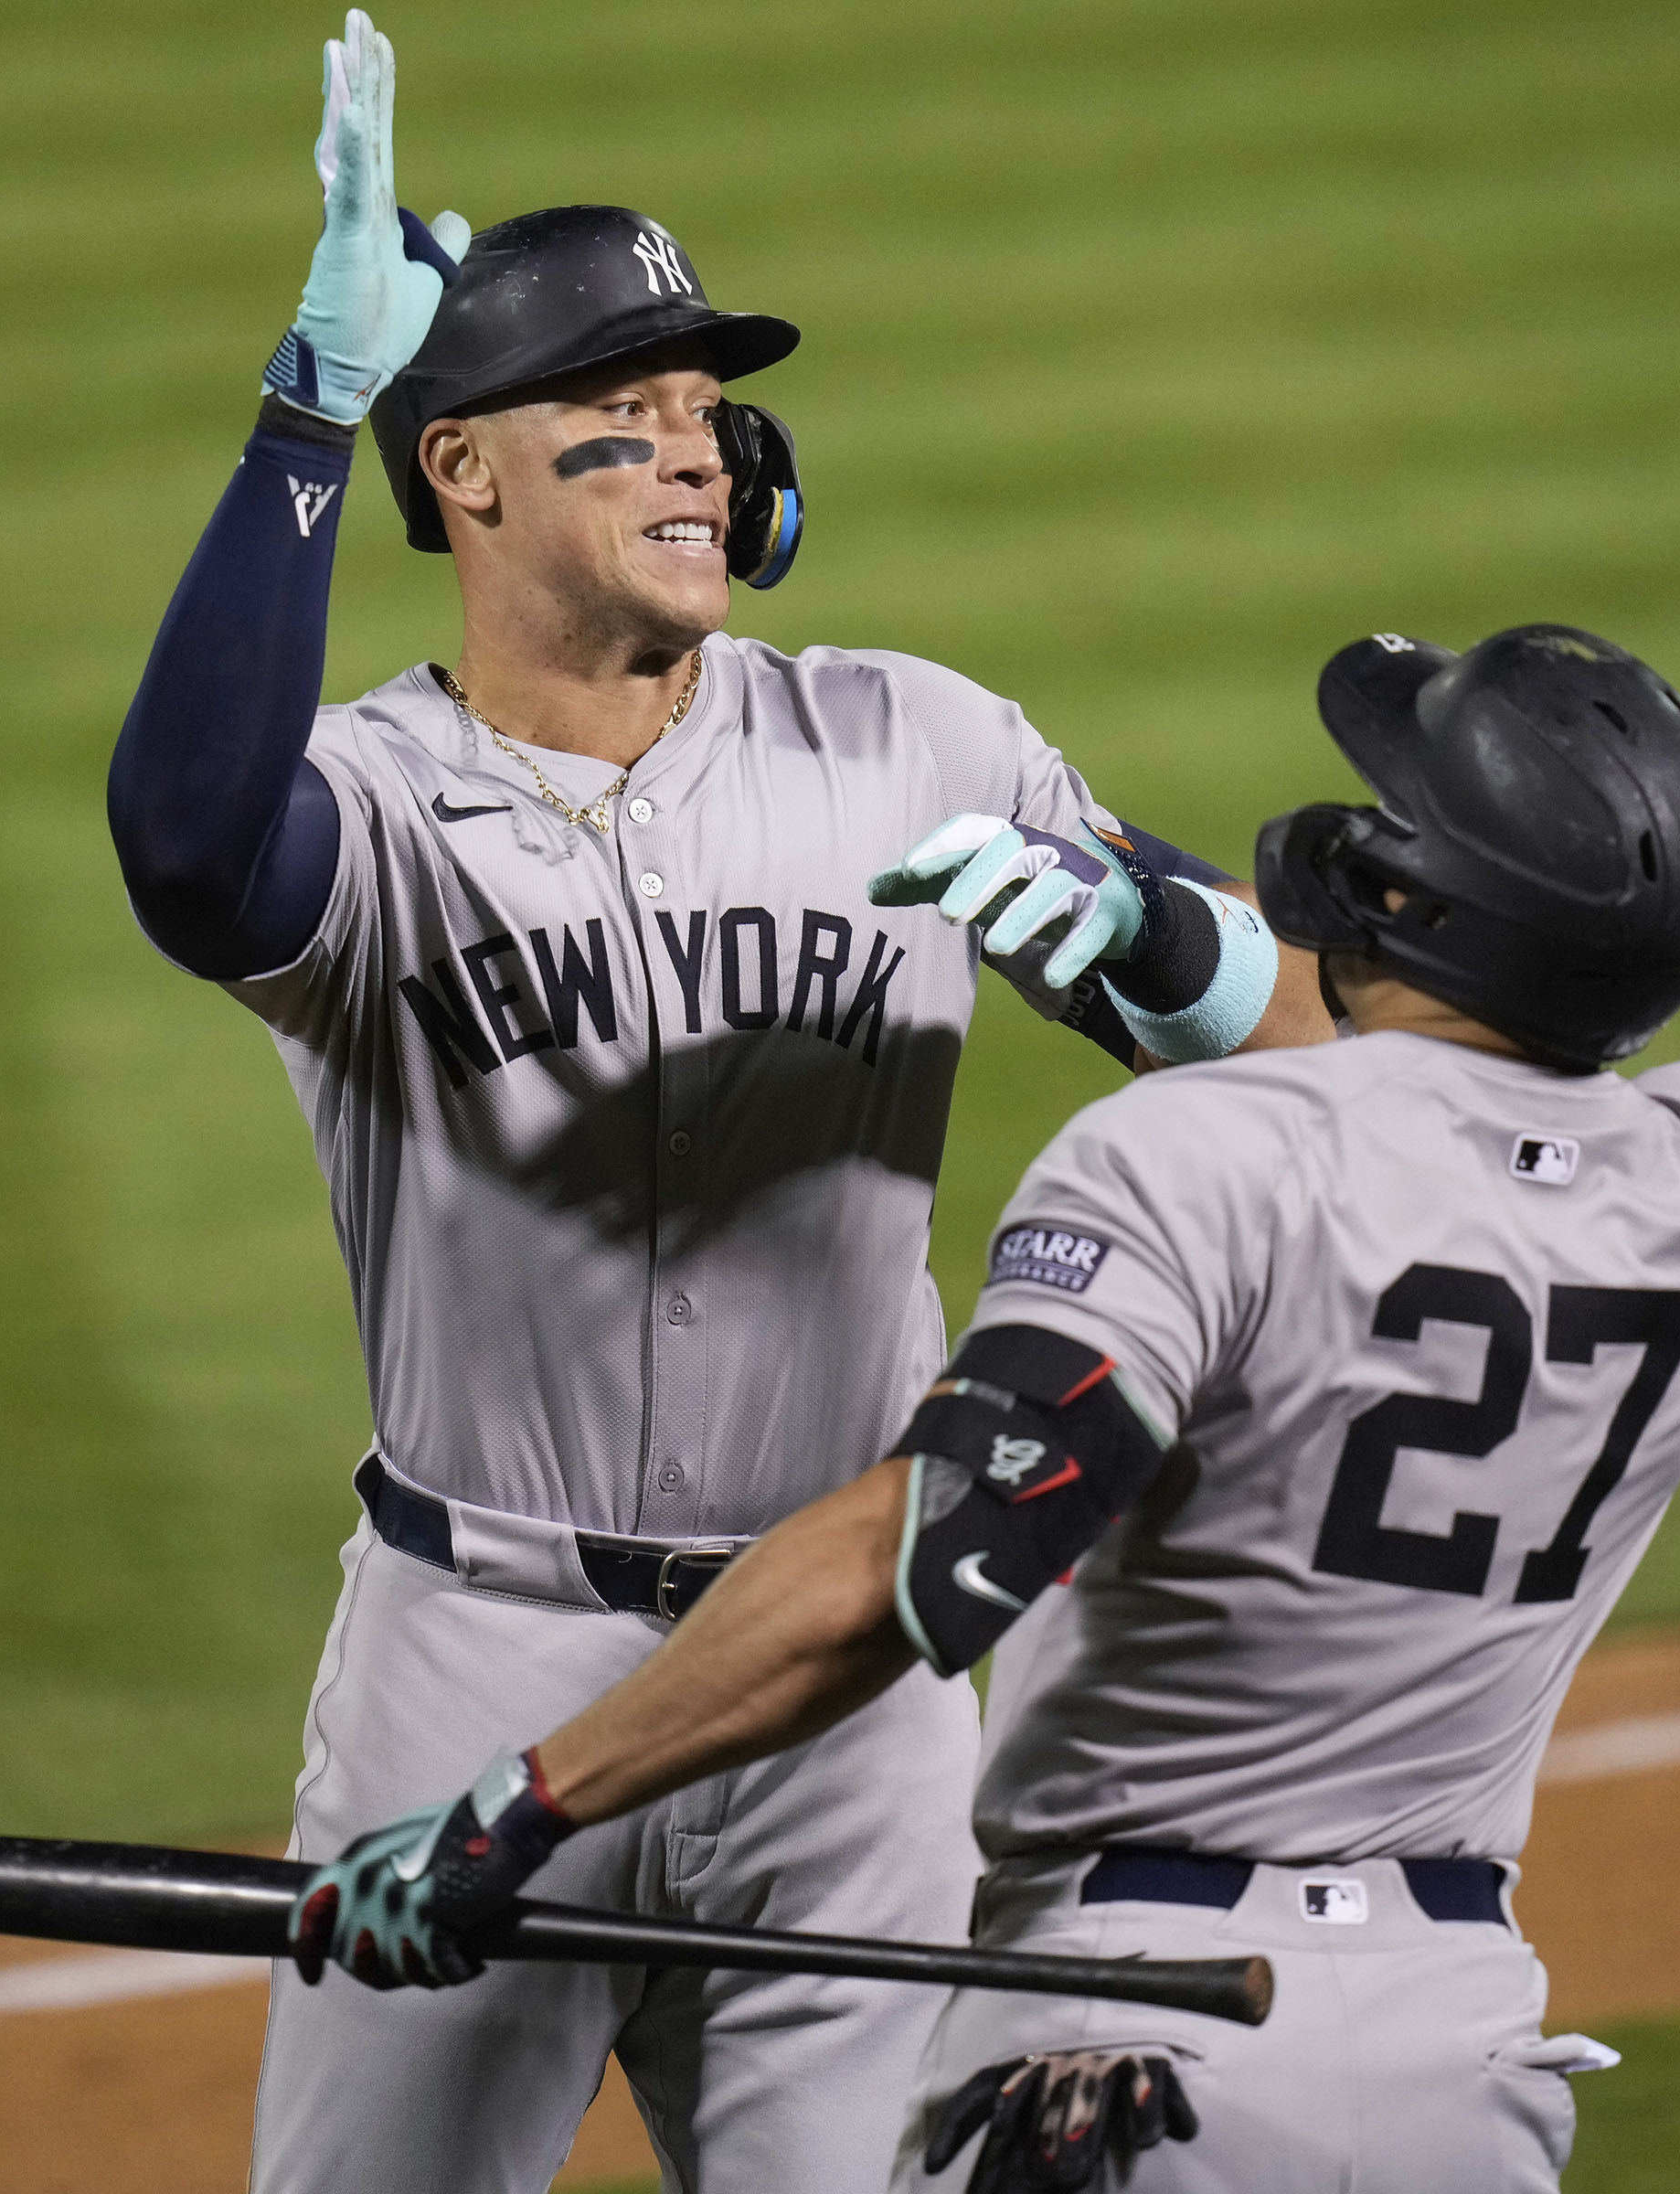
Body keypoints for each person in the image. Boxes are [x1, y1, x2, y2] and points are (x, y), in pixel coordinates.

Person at [287, 204, 1680, 2194]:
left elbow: (927, 1559)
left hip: (1136, 2042)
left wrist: (523, 1811)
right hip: (1459, 2043)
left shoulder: (1200, 1172)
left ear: (1423, 911)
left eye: (1401, 820)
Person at [105, 13, 1329, 2190]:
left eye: (705, 409)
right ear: (463, 471)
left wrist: (1148, 946)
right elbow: (195, 856)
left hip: (851, 1668)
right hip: (474, 1659)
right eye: (621, 410)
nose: (694, 450)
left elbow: (1304, 1038)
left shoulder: (919, 742)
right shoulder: (384, 806)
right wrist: (307, 412)